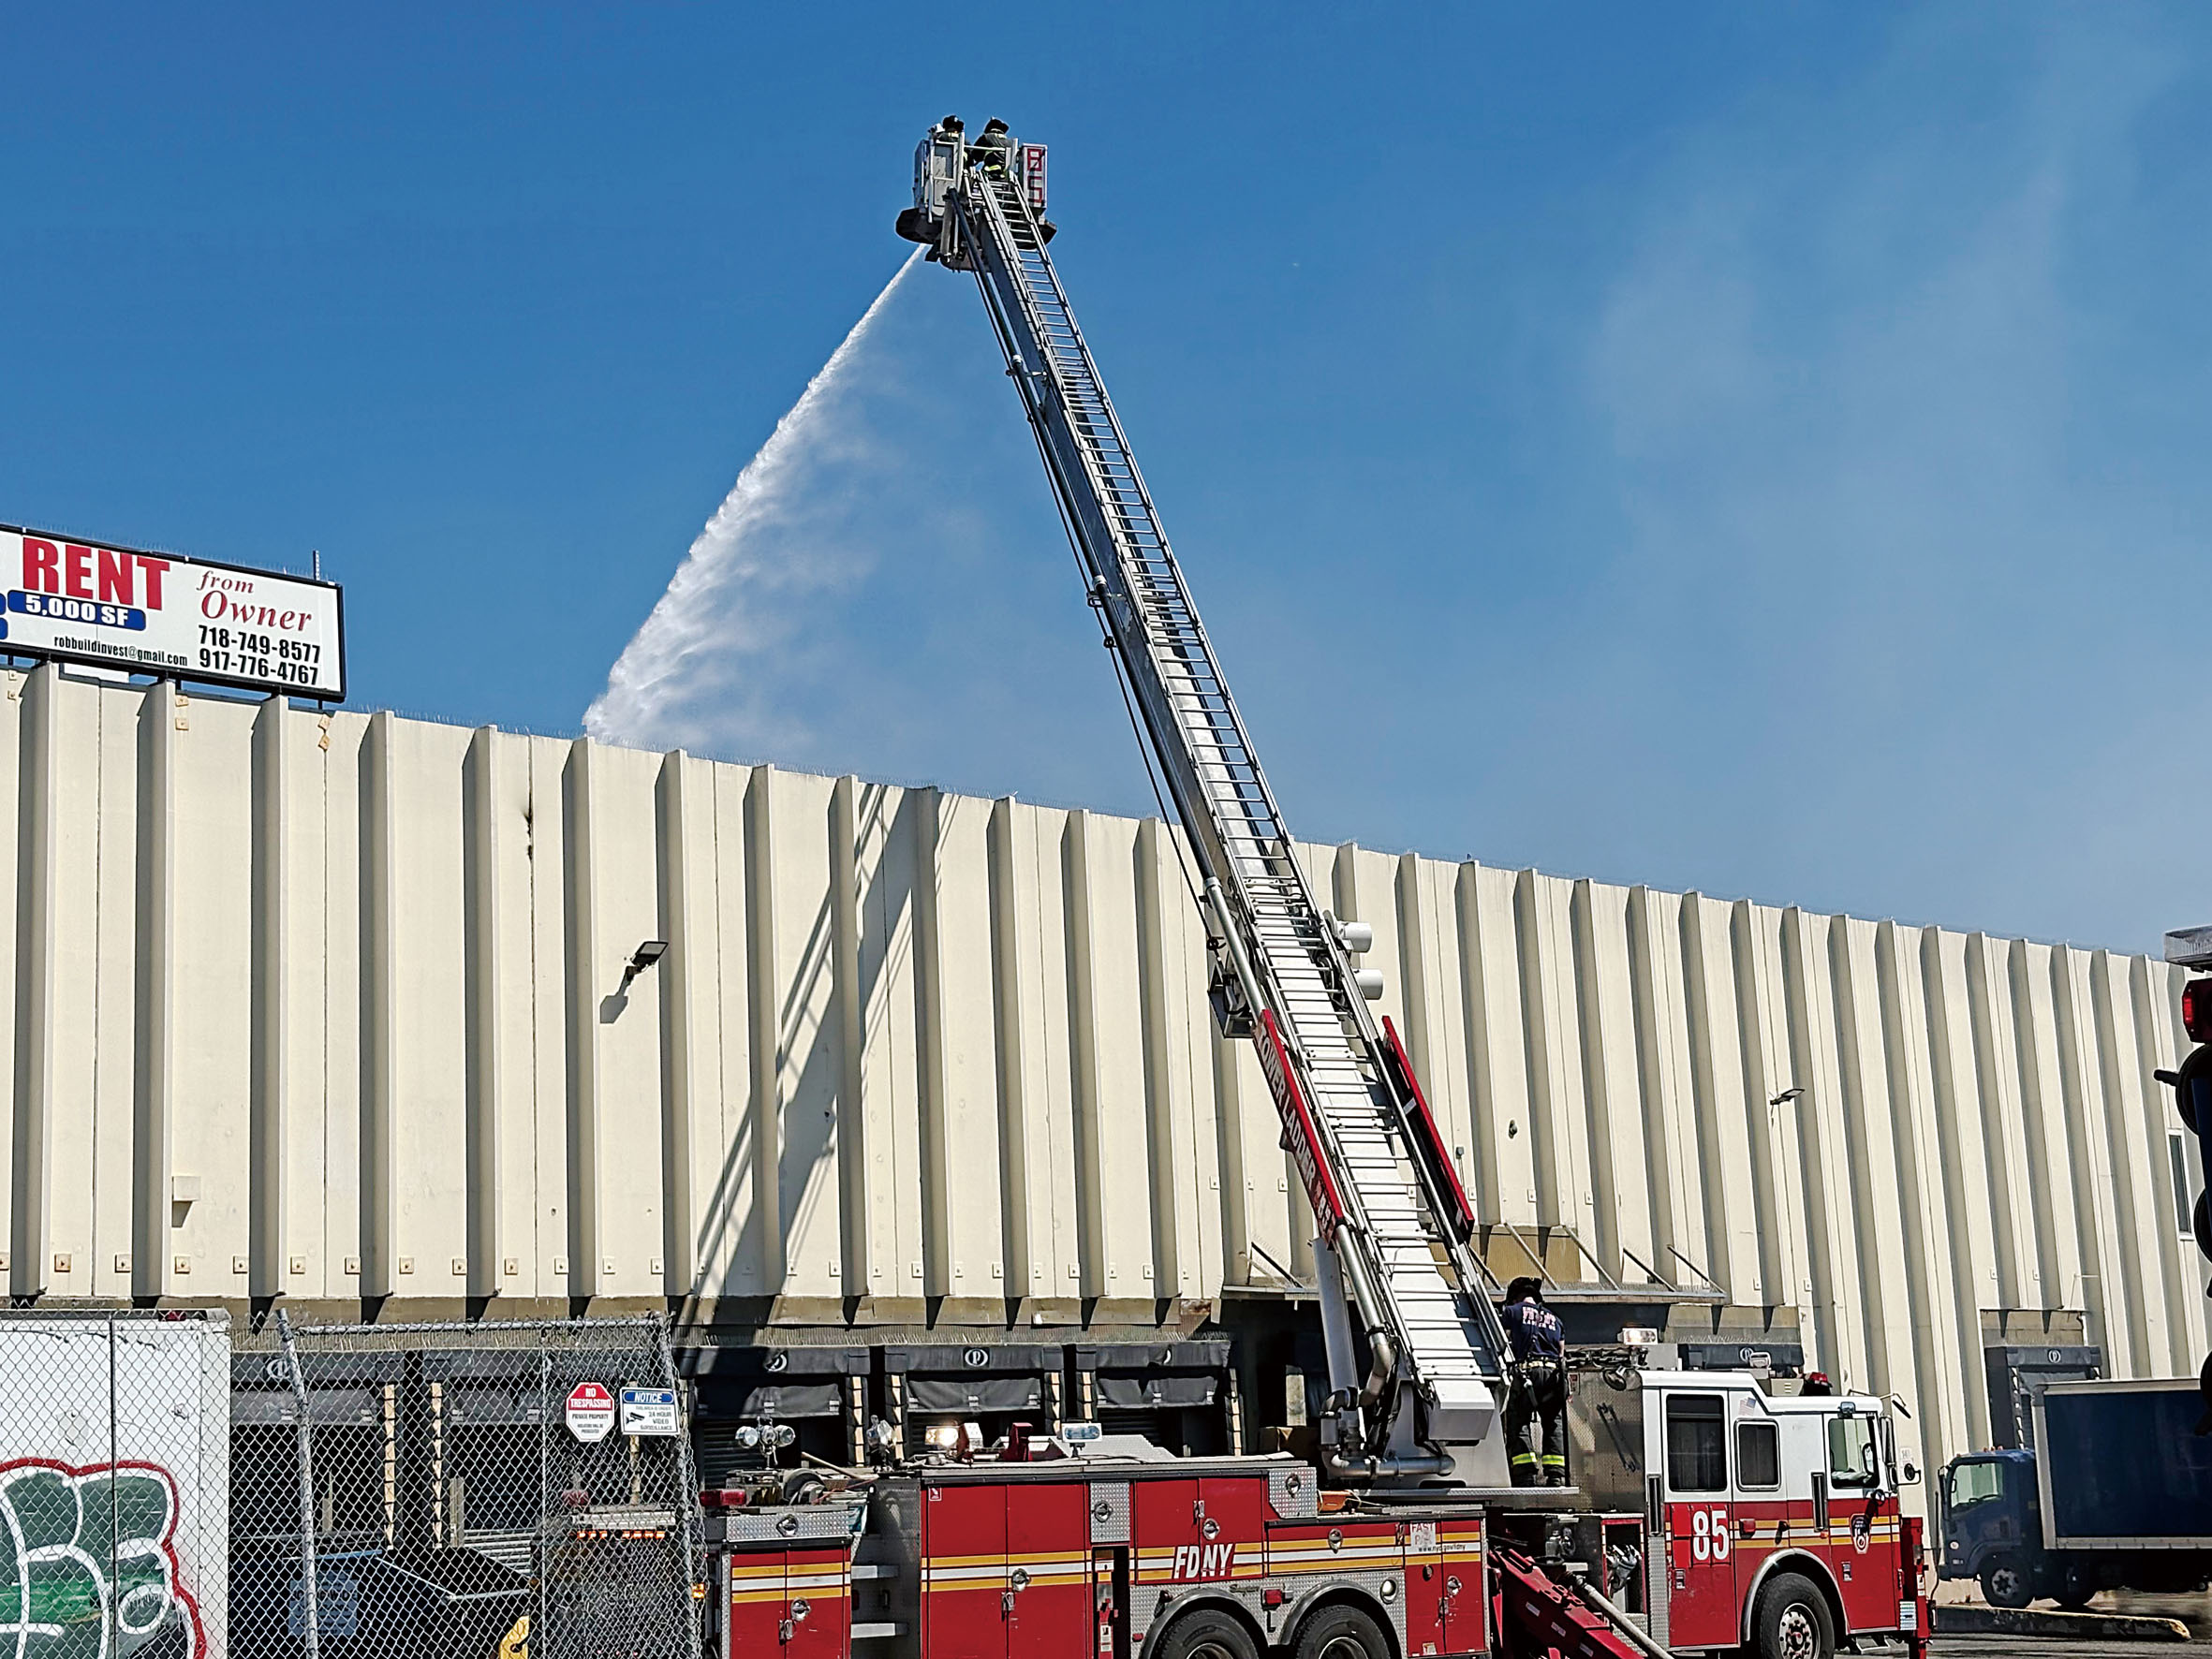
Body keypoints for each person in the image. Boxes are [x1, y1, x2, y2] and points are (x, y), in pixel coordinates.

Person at [1499, 1276, 1567, 1487]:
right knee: (1553, 1423)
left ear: (1514, 1298)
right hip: (1554, 1377)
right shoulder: (1555, 1319)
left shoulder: (1513, 1312)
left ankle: (1525, 1474)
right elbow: (1561, 1351)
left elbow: (1497, 1336)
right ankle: (1556, 1475)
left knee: (1518, 1420)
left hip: (1528, 1373)